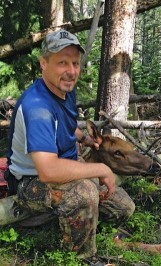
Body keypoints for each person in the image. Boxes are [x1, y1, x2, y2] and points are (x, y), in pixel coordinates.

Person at [7, 29, 135, 266]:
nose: (71, 71)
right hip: (31, 181)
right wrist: (101, 169)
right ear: (43, 63)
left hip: (64, 167)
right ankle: (81, 257)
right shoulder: (38, 107)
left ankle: (77, 224)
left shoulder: (64, 89)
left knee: (123, 207)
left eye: (75, 63)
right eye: (62, 63)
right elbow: (49, 171)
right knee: (85, 192)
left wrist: (84, 138)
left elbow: (63, 126)